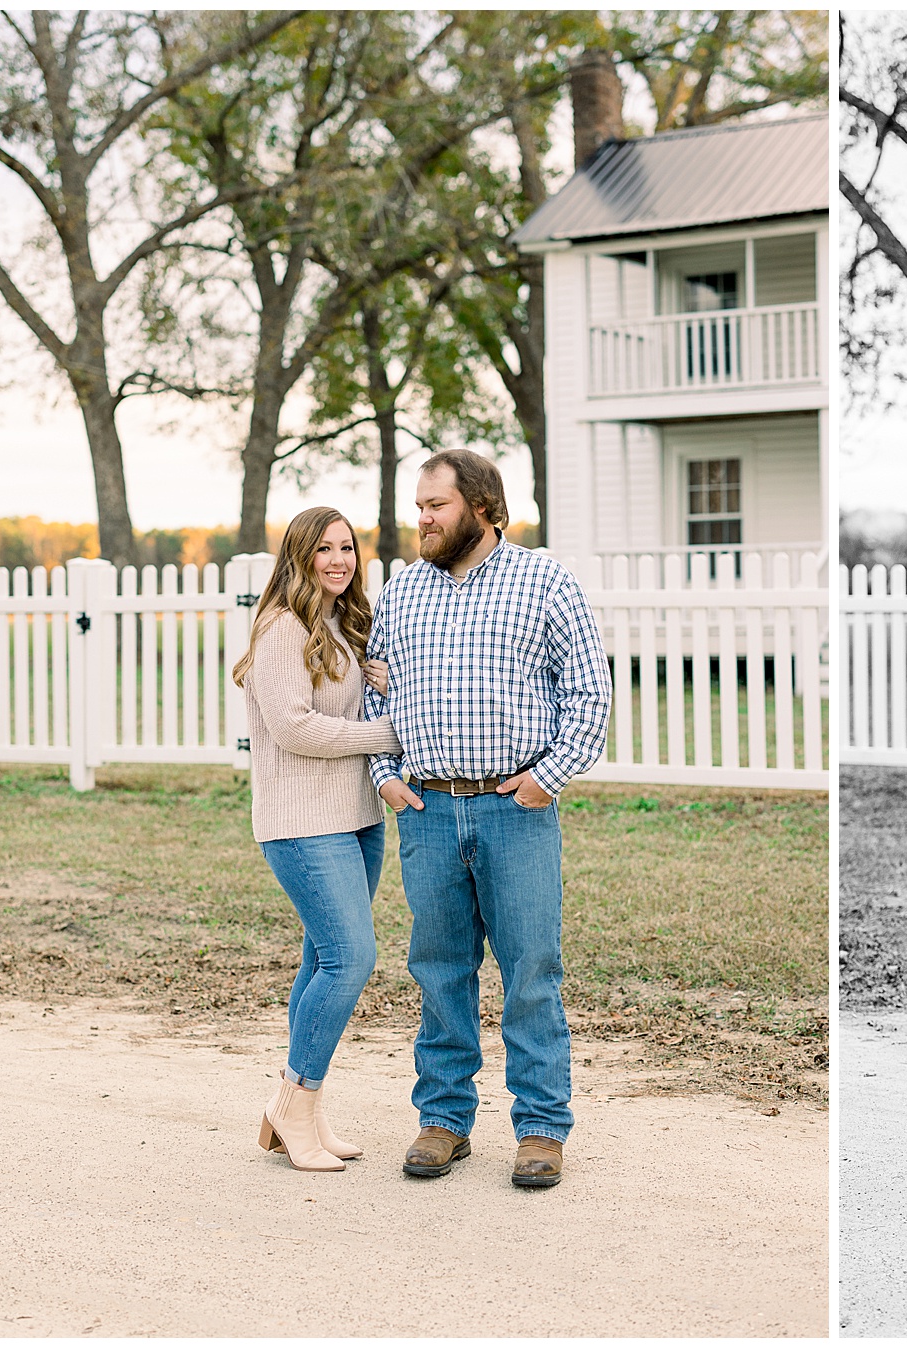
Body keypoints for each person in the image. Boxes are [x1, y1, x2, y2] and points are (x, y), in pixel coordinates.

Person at [363, 449, 611, 1190]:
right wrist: (386, 777)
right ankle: (443, 1119)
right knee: (439, 971)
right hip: (430, 810)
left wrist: (548, 777)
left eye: (435, 506)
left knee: (531, 971)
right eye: (419, 508)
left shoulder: (545, 583)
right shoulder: (403, 592)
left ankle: (540, 1129)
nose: (423, 521)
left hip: (515, 812)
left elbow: (589, 696)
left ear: (482, 507)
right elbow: (375, 693)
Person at [233, 506, 401, 1172]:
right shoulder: (279, 629)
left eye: (347, 548)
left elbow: (344, 702)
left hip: (357, 819)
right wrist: (387, 735)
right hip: (302, 825)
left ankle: (300, 1109)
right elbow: (296, 729)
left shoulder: (339, 622)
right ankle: (294, 1104)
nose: (339, 560)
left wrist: (379, 681)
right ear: (297, 558)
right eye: (324, 550)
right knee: (350, 958)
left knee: (322, 961)